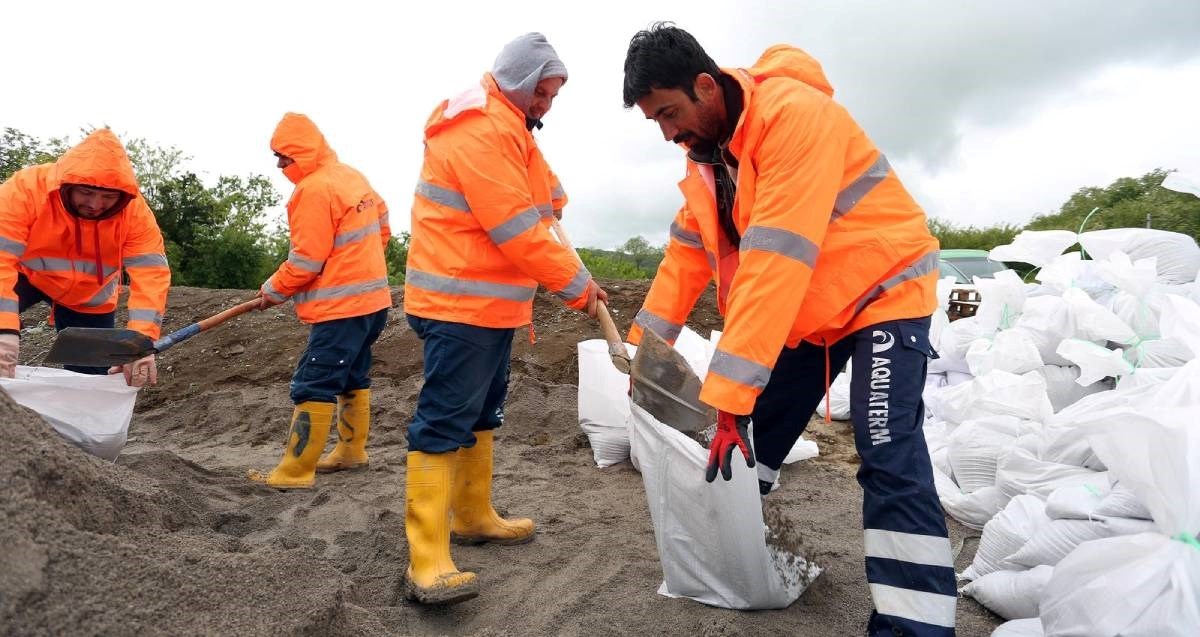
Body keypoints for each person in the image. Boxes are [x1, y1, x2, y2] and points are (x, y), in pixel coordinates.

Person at [623, 24, 954, 636]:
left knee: (886, 450)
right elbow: (685, 258)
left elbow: (776, 264)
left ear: (705, 85)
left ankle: (917, 627)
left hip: (884, 289)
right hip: (815, 309)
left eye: (670, 113)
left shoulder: (795, 118)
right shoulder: (709, 159)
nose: (668, 132)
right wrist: (643, 352)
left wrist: (725, 400)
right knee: (751, 440)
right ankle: (751, 558)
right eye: (655, 123)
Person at [402, 32, 607, 605]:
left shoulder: (511, 127)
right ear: (519, 82)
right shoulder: (479, 128)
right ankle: (427, 558)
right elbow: (515, 226)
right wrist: (575, 285)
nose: (546, 105)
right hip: (458, 304)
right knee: (444, 420)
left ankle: (472, 515)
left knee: (482, 412)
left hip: (488, 306)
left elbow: (539, 196)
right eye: (542, 93)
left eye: (553, 96)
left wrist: (554, 200)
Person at [247, 112, 392, 490]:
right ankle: (351, 450)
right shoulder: (350, 176)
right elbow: (384, 223)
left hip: (340, 308)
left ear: (303, 153)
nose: (279, 165)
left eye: (284, 157)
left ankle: (295, 473)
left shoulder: (313, 190)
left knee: (315, 381)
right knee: (352, 375)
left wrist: (274, 290)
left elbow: (306, 261)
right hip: (373, 303)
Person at [0, 129, 169, 386]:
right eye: (87, 193)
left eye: (108, 197)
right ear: (65, 187)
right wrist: (4, 331)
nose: (95, 204)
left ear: (123, 196)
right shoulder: (27, 188)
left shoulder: (135, 214)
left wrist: (141, 342)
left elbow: (151, 276)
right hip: (26, 275)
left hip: (89, 297)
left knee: (91, 378)